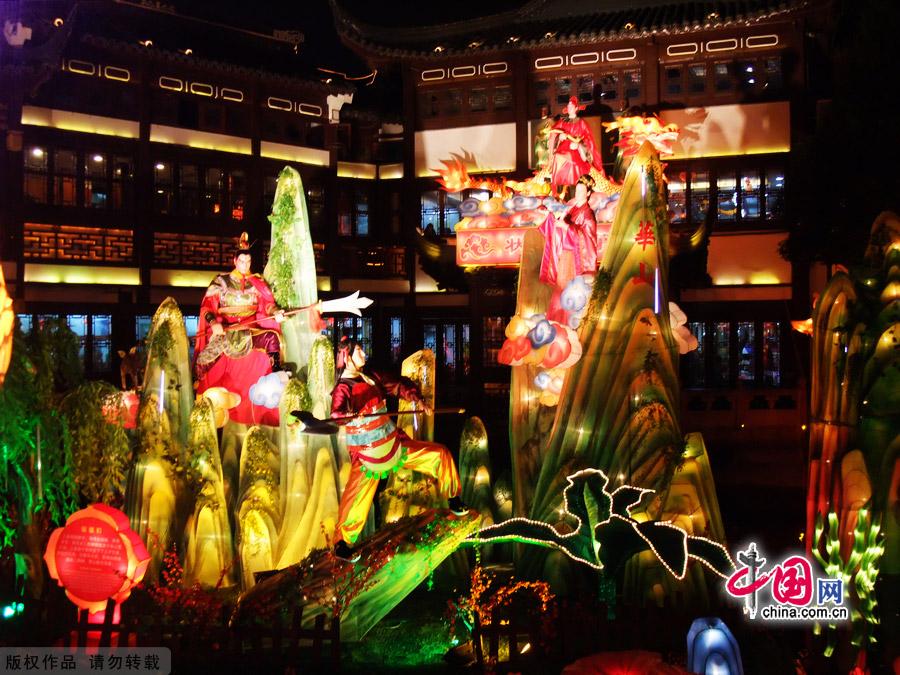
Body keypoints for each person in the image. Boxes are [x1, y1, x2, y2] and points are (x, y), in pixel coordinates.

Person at [330, 337, 466, 561]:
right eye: (359, 352)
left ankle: (454, 498)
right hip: (367, 454)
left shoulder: (371, 376)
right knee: (355, 499)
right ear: (347, 357)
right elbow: (336, 414)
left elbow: (398, 385)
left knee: (440, 454)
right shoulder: (343, 389)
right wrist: (348, 416)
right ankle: (342, 543)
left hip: (392, 443)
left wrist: (418, 400)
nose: (364, 355)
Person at [194, 232, 285, 379]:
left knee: (272, 337)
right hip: (225, 330)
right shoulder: (221, 281)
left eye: (248, 261)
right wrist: (213, 323)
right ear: (235, 261)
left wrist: (275, 312)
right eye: (242, 261)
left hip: (250, 330)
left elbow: (267, 304)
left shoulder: (256, 282)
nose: (245, 265)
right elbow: (207, 306)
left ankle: (277, 372)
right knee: (202, 362)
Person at [546, 96, 604, 197]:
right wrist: (559, 137)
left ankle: (574, 191)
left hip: (576, 150)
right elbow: (553, 133)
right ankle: (559, 191)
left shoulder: (582, 123)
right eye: (568, 105)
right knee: (558, 157)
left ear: (576, 108)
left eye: (571, 106)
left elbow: (588, 139)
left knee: (572, 162)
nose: (569, 107)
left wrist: (578, 145)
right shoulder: (562, 121)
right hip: (562, 148)